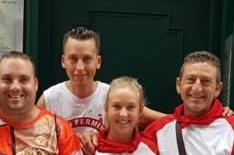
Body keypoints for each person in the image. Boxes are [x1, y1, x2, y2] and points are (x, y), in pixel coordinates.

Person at [36, 26, 164, 139]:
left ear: (98, 61)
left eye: (87, 59)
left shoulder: (112, 95)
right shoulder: (49, 100)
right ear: (63, 61)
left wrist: (182, 118)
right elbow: (34, 143)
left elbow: (162, 120)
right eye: (73, 59)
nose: (80, 67)